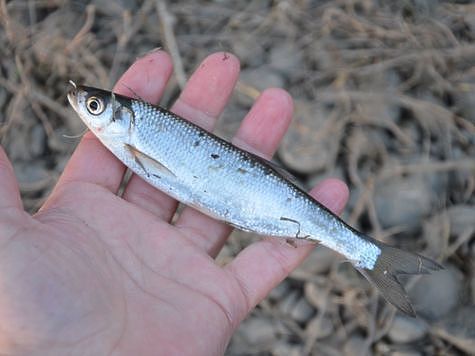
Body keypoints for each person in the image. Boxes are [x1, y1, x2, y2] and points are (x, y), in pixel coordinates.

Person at [0, 50, 349, 355]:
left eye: (93, 107)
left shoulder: (132, 136)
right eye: (94, 105)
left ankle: (360, 250)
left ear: (122, 119)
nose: (86, 110)